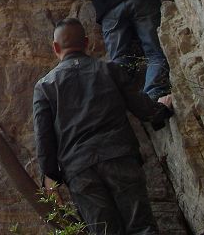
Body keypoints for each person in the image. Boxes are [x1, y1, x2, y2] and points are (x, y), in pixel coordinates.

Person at [33, 18, 173, 235]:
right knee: (142, 227)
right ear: (87, 42)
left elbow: (44, 138)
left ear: (55, 47)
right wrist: (161, 108)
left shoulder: (44, 87)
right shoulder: (109, 69)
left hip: (79, 170)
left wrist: (50, 178)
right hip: (120, 156)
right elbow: (142, 107)